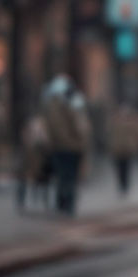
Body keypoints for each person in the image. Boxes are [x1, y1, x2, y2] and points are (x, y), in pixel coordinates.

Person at [42, 74, 90, 215]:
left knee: (67, 176)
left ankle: (66, 203)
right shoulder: (63, 104)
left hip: (69, 146)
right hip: (67, 146)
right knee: (67, 176)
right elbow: (60, 128)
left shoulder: (67, 103)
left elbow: (81, 126)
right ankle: (66, 203)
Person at [107, 102, 138, 196]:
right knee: (121, 168)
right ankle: (123, 185)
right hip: (119, 149)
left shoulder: (131, 121)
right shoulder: (116, 121)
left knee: (125, 168)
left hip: (126, 149)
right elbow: (108, 133)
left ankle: (124, 186)